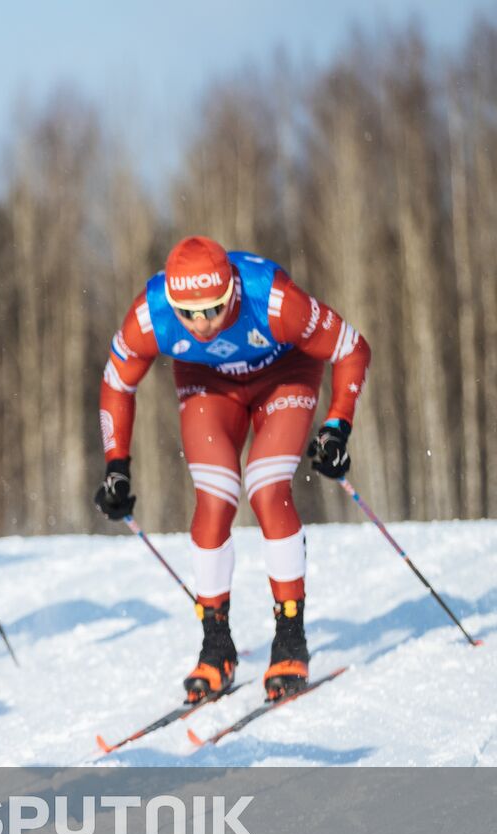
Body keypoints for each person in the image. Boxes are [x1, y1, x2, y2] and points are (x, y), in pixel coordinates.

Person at [94, 236, 371, 701]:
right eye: (188, 313)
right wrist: (116, 465)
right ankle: (215, 645)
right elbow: (115, 385)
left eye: (214, 310)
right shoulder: (149, 314)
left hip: (284, 374)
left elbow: (351, 348)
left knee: (266, 486)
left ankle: (289, 637)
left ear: (233, 294)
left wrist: (337, 426)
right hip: (208, 384)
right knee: (215, 496)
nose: (201, 324)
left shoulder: (276, 299)